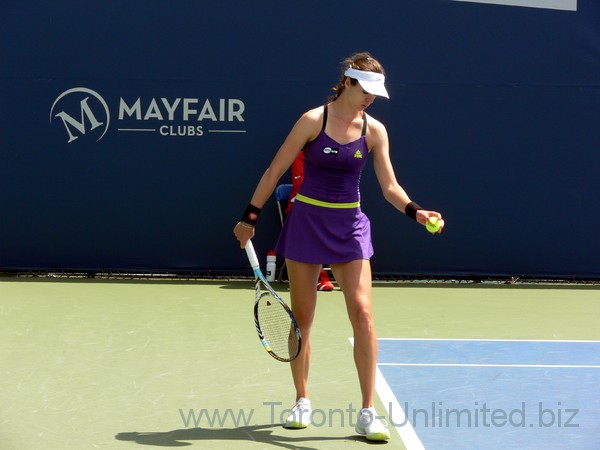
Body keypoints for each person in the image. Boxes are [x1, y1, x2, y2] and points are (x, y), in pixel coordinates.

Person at [233, 51, 444, 441]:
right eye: (366, 90)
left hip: (350, 226)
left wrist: (416, 211)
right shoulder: (313, 120)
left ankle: (367, 412)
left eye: (376, 93)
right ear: (347, 82)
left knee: (363, 313)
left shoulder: (374, 130)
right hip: (307, 223)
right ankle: (301, 400)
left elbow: (390, 188)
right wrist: (250, 217)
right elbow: (274, 169)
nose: (371, 98)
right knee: (303, 318)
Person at [287, 151, 335, 292]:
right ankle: (321, 277)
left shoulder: (333, 157)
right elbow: (301, 184)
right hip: (300, 211)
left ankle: (347, 276)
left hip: (329, 210)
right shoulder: (300, 154)